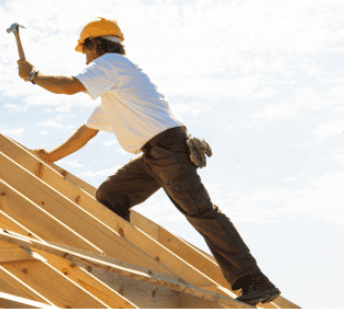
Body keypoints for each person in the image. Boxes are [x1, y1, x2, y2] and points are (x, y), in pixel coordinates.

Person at [17, 17, 280, 305]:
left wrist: (33, 76)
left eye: (85, 50)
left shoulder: (111, 65)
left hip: (167, 150)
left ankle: (255, 282)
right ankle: (127, 258)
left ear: (95, 44)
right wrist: (50, 157)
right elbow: (86, 133)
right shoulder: (116, 90)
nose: (86, 58)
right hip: (156, 154)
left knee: (201, 213)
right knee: (111, 195)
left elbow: (69, 86)